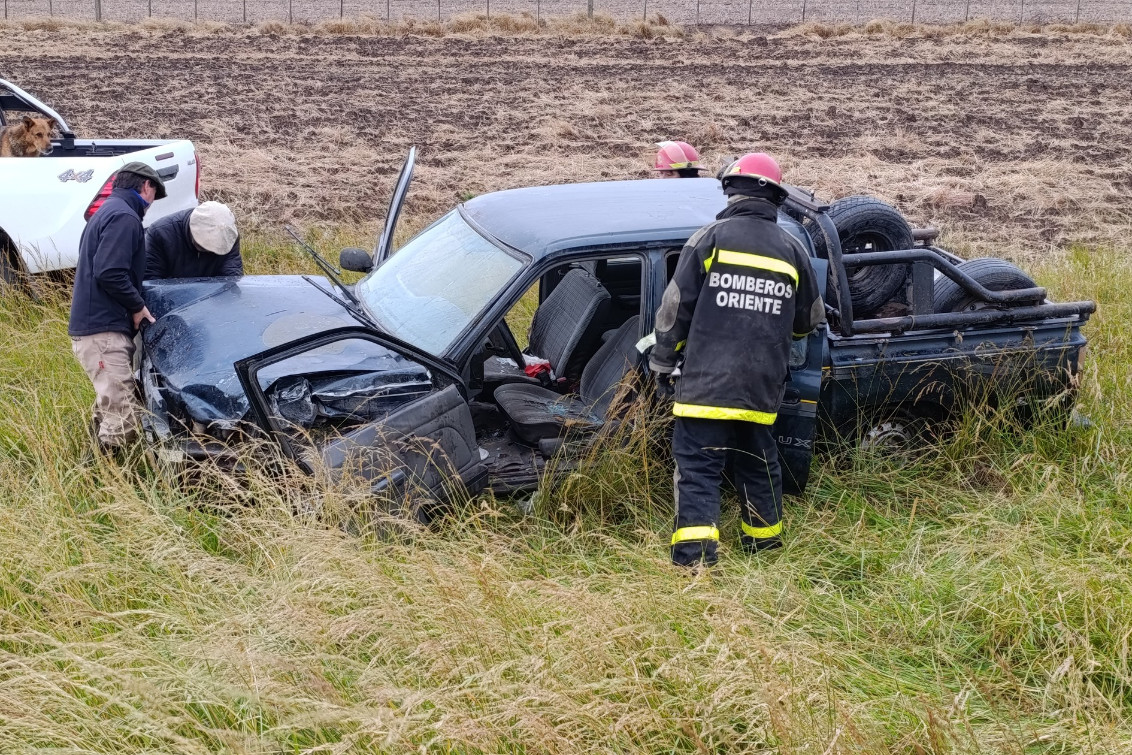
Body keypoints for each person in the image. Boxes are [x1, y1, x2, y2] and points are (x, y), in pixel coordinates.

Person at [648, 153, 824, 568]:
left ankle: (694, 560)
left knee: (698, 469)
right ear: (775, 199)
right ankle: (763, 547)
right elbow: (809, 320)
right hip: (762, 389)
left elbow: (674, 311)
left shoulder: (708, 238)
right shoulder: (793, 250)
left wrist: (661, 362)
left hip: (705, 388)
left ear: (731, 191)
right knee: (759, 465)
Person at [68, 162, 166, 452]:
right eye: (154, 195)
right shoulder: (125, 217)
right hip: (103, 332)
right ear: (146, 186)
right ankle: (110, 480)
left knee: (109, 402)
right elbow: (110, 271)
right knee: (123, 413)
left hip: (96, 328)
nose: (150, 205)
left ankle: (89, 463)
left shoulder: (105, 213)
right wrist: (138, 306)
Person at [145, 201, 242, 280]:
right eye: (202, 246)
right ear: (192, 230)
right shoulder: (159, 233)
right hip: (170, 298)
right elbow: (151, 280)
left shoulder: (228, 236)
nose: (207, 252)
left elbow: (231, 278)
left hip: (212, 298)